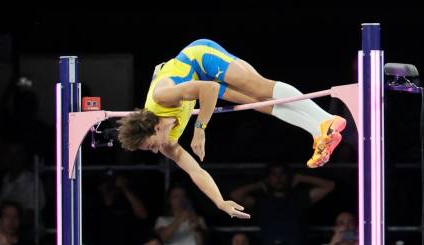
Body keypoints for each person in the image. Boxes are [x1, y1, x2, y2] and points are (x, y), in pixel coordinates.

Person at [117, 39, 347, 218]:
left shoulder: (163, 97)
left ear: (153, 128)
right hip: (200, 80)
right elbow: (195, 171)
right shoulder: (168, 142)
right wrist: (219, 202)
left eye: (150, 146)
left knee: (260, 90)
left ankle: (325, 118)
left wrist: (200, 128)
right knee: (259, 104)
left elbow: (206, 89)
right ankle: (317, 131)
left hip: (199, 58)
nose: (156, 151)